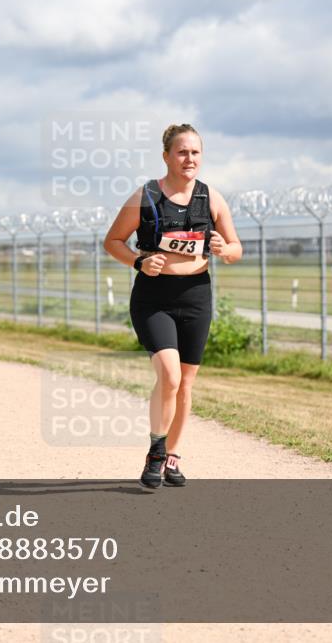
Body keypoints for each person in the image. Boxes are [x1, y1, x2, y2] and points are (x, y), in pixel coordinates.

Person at [104, 123, 242, 489]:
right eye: (182, 152)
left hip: (196, 296)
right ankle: (155, 451)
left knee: (185, 386)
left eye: (195, 152)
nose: (189, 158)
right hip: (154, 297)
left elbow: (236, 248)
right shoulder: (146, 196)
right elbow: (113, 240)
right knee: (169, 376)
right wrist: (138, 262)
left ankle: (173, 456)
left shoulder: (211, 198)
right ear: (166, 156)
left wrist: (224, 250)